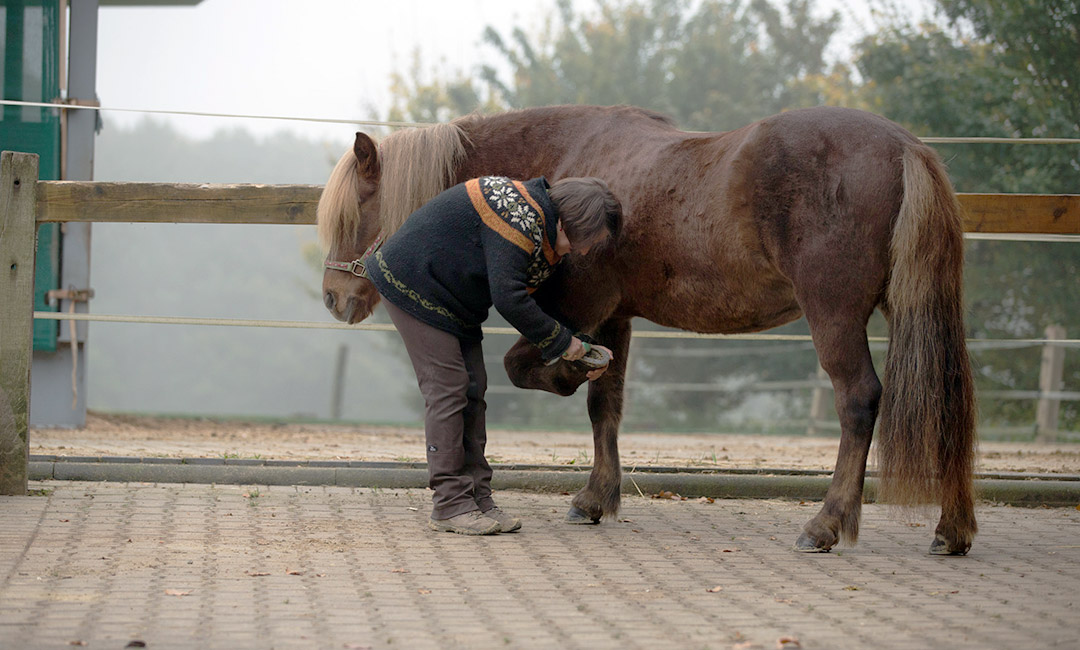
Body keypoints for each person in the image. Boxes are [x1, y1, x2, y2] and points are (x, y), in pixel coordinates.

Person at [365, 175, 622, 535]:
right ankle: (450, 504)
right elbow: (509, 298)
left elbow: (538, 305)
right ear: (569, 221)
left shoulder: (546, 231)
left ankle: (477, 498)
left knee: (474, 389)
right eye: (584, 241)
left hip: (455, 301)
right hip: (412, 283)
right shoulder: (518, 216)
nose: (582, 251)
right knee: (449, 388)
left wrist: (581, 345)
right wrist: (566, 346)